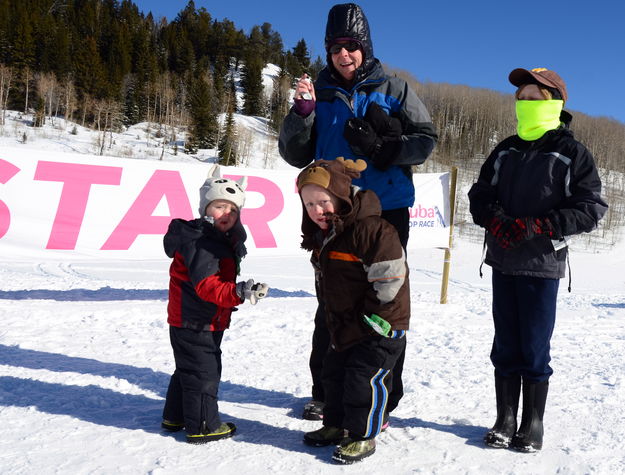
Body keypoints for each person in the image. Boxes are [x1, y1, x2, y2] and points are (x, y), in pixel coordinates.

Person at [279, 1, 437, 422]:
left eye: (351, 46)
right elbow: (295, 154)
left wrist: (384, 148)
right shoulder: (319, 93)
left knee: (384, 304)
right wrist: (302, 115)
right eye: (335, 48)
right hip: (335, 212)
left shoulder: (395, 88)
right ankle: (326, 391)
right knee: (332, 301)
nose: (344, 55)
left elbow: (426, 139)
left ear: (365, 48)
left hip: (387, 212)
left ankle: (383, 395)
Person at [468, 67, 608, 452]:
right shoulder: (506, 148)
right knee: (505, 344)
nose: (526, 104)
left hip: (542, 265)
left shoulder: (571, 153)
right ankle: (505, 418)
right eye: (522, 99)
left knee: (534, 345)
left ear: (556, 103)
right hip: (502, 260)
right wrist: (495, 219)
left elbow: (591, 208)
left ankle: (532, 423)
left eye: (536, 99)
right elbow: (479, 195)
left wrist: (537, 226)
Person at [297, 158, 410, 464]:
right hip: (347, 323)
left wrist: (368, 320)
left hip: (379, 324)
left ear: (340, 196)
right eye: (308, 205)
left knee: (364, 379)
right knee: (333, 375)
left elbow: (389, 281)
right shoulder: (327, 235)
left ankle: (363, 435)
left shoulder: (373, 229)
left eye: (322, 201)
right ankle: (335, 425)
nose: (316, 211)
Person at [161, 166, 269, 444]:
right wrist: (239, 292)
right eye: (220, 207)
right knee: (203, 374)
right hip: (196, 320)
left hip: (197, 319)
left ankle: (175, 416)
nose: (227, 215)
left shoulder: (216, 240)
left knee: (189, 369)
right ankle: (203, 426)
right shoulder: (203, 243)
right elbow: (207, 286)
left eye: (233, 210)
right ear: (205, 208)